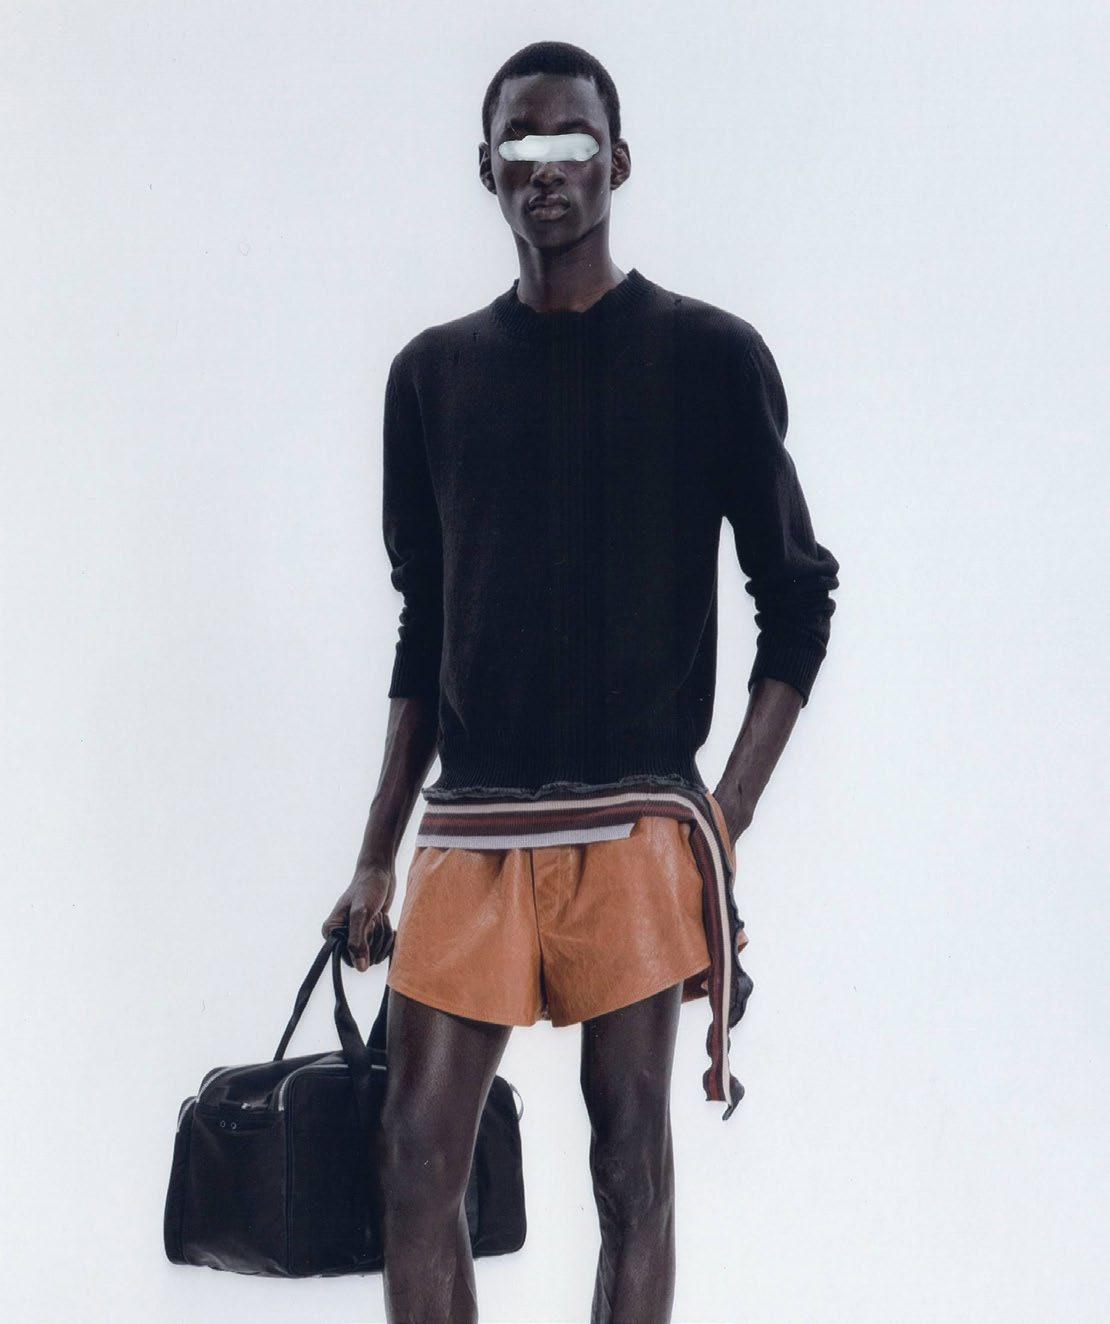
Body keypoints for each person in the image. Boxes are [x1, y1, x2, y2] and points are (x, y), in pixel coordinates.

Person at [322, 40, 840, 1324]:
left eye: (571, 142)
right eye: (522, 142)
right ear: (486, 166)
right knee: (413, 1157)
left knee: (630, 1161)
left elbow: (797, 598)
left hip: (636, 822)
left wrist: (722, 818)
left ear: (618, 161)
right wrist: (376, 854)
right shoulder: (431, 375)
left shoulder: (708, 355)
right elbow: (423, 624)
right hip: (474, 826)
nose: (545, 168)